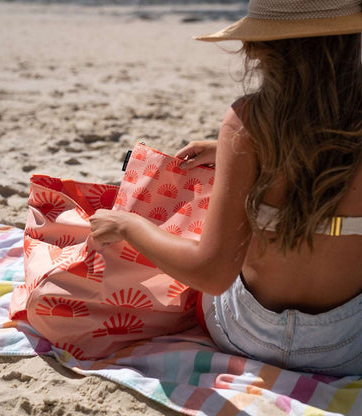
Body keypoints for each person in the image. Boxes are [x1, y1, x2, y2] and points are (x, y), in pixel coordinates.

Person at [89, 0, 362, 376]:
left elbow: (212, 275)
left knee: (205, 220)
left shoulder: (248, 123)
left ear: (260, 46)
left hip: (249, 334)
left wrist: (128, 226)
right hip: (348, 347)